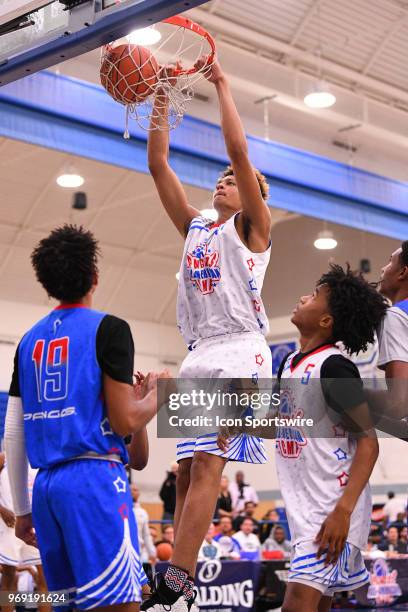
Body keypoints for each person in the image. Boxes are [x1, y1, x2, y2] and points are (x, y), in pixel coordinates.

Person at [143, 56, 272, 612]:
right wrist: (163, 94)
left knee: (209, 468)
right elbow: (157, 163)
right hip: (199, 351)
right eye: (219, 179)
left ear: (251, 197)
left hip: (240, 349)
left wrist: (220, 84)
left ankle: (174, 587)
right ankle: (181, 590)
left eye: (235, 182)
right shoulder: (198, 227)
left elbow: (239, 154)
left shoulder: (253, 230)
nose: (225, 180)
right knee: (191, 470)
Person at [4, 225, 168, 611]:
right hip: (92, 482)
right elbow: (126, 421)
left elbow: (13, 432)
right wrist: (161, 393)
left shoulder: (27, 340)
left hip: (45, 489)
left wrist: (24, 509)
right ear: (94, 276)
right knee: (119, 604)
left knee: (68, 603)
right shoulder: (109, 329)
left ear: (47, 285)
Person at [273, 265, 387, 612]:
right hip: (305, 509)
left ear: (326, 321)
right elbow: (286, 418)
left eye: (315, 295)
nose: (304, 297)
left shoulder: (335, 368)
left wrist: (342, 511)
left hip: (332, 508)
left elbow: (369, 443)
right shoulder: (290, 362)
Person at [367, 241, 408, 434]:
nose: (382, 269)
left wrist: (347, 396)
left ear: (403, 272)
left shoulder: (396, 315)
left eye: (390, 262)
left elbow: (398, 404)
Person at [0, 452, 49, 612]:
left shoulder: (43, 455)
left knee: (44, 579)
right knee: (9, 578)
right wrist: (1, 510)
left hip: (36, 523)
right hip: (10, 525)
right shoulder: (4, 458)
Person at [131, 484, 157, 565]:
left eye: (135, 490)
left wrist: (152, 553)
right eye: (131, 490)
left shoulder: (142, 512)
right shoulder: (119, 509)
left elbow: (146, 535)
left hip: (139, 552)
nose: (133, 492)